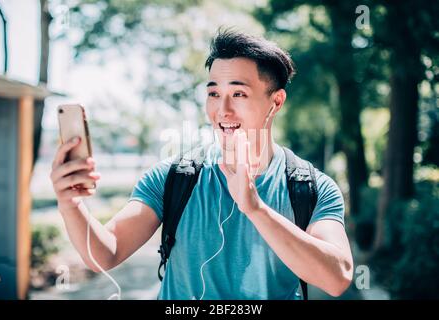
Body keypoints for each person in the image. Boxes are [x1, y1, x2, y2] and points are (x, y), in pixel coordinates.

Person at [50, 29, 353, 300]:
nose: (223, 110)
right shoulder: (174, 176)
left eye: (238, 93)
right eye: (213, 93)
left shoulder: (310, 186)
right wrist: (71, 203)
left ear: (275, 102)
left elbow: (337, 278)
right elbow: (106, 252)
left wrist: (255, 209)